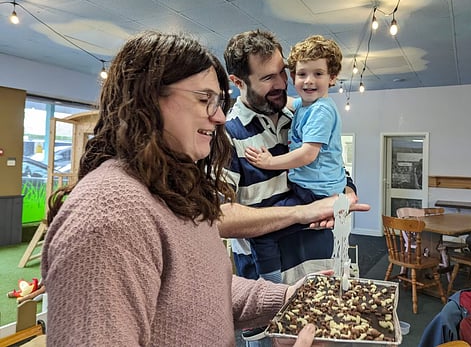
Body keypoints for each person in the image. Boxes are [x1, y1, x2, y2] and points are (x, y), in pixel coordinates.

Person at [41, 31, 327, 346]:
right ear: (147, 98)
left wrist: (287, 296)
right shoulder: (106, 220)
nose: (219, 117)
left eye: (218, 102)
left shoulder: (175, 189)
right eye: (205, 99)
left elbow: (208, 289)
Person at [223, 30, 367, 286]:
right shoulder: (226, 135)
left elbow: (332, 165)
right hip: (268, 291)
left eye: (283, 71)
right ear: (238, 82)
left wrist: (346, 195)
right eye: (268, 77)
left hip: (324, 267)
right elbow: (218, 218)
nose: (281, 83)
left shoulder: (300, 114)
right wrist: (303, 212)